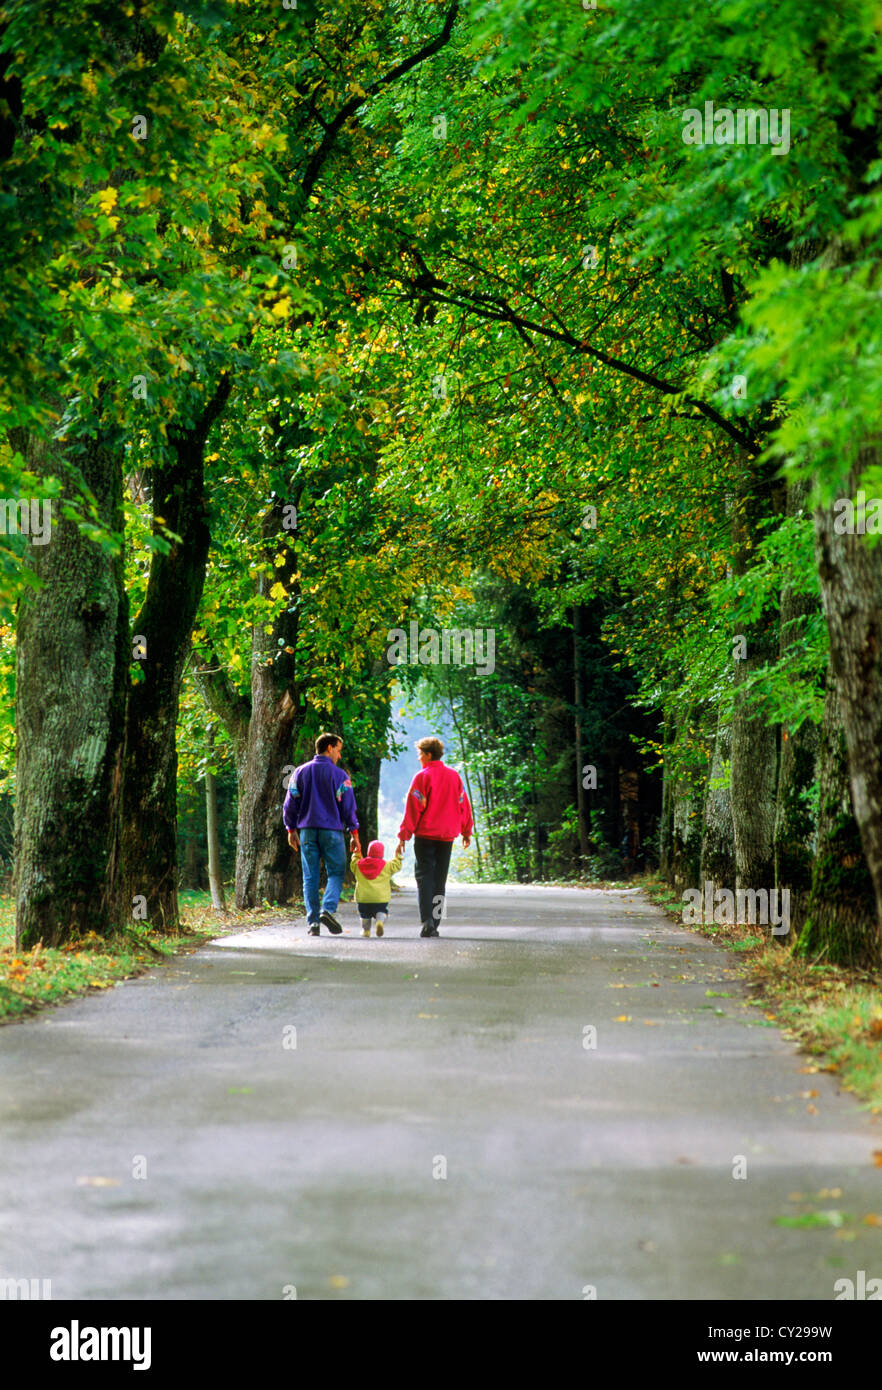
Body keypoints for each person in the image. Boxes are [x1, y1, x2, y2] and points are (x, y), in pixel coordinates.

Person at [283, 732, 361, 935]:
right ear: (329, 748)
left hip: (307, 831)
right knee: (336, 872)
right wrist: (354, 834)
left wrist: (291, 829)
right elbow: (349, 808)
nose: (339, 756)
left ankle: (313, 924)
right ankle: (327, 909)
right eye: (338, 750)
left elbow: (290, 803)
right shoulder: (340, 776)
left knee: (310, 877)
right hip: (332, 832)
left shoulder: (299, 772)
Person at [396, 737, 472, 938]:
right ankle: (436, 923)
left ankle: (427, 921)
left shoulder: (422, 777)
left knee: (424, 879)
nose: (419, 758)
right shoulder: (454, 776)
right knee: (440, 880)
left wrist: (404, 835)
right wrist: (466, 830)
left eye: (420, 754)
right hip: (447, 836)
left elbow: (414, 808)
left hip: (426, 836)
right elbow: (463, 803)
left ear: (428, 755)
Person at [350, 840, 402, 937]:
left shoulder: (359, 865)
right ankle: (379, 921)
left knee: (364, 915)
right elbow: (397, 865)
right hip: (380, 898)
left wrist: (356, 853)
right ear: (382, 854)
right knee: (381, 911)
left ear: (368, 852)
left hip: (363, 898)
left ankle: (366, 931)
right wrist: (398, 855)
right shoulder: (387, 866)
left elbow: (353, 863)